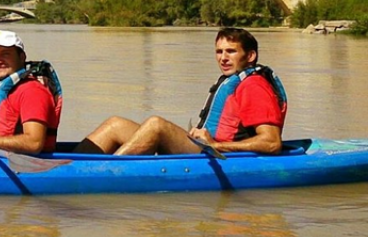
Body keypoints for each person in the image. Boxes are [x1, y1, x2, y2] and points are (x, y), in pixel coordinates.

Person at [75, 27, 287, 156]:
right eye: (219, 51)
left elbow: (271, 142)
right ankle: (67, 166)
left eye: (231, 51)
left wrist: (217, 145)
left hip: (217, 154)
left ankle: (106, 173)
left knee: (156, 125)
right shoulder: (235, 81)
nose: (223, 58)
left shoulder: (254, 85)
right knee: (115, 124)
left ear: (250, 56)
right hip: (205, 146)